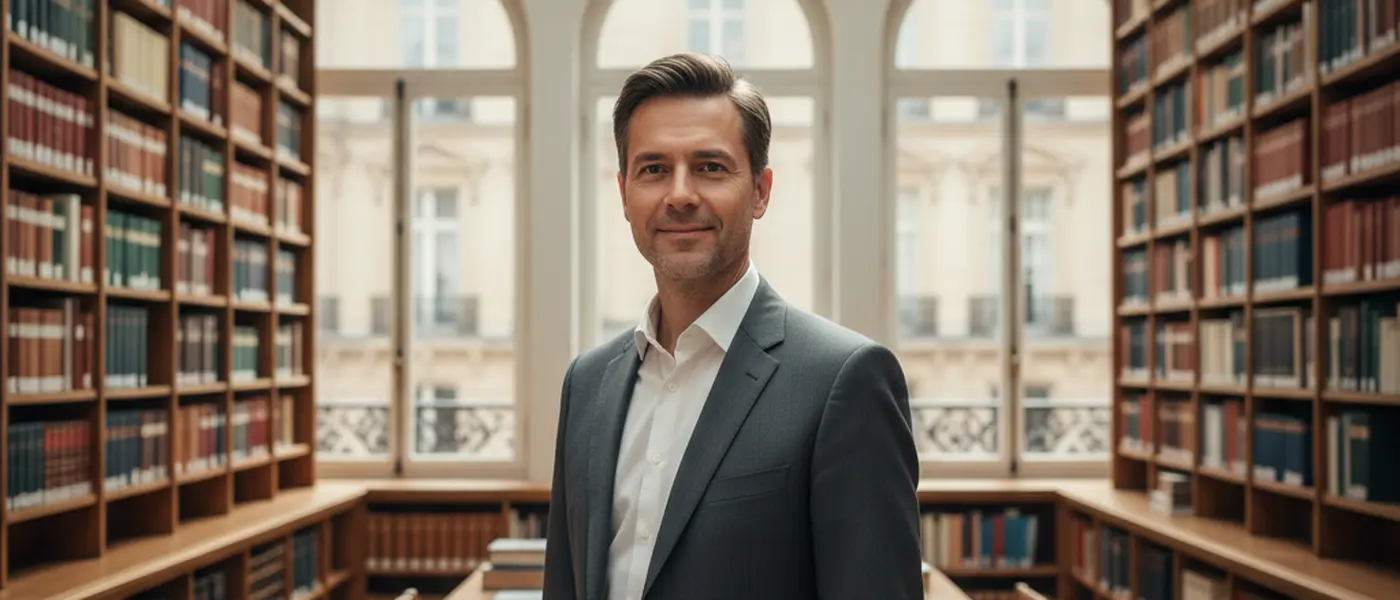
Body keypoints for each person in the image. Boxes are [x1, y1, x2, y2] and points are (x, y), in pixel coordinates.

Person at [542, 52, 923, 600]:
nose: (679, 194)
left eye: (710, 167)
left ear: (761, 191)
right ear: (625, 193)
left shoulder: (845, 381)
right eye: (654, 169)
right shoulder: (586, 383)